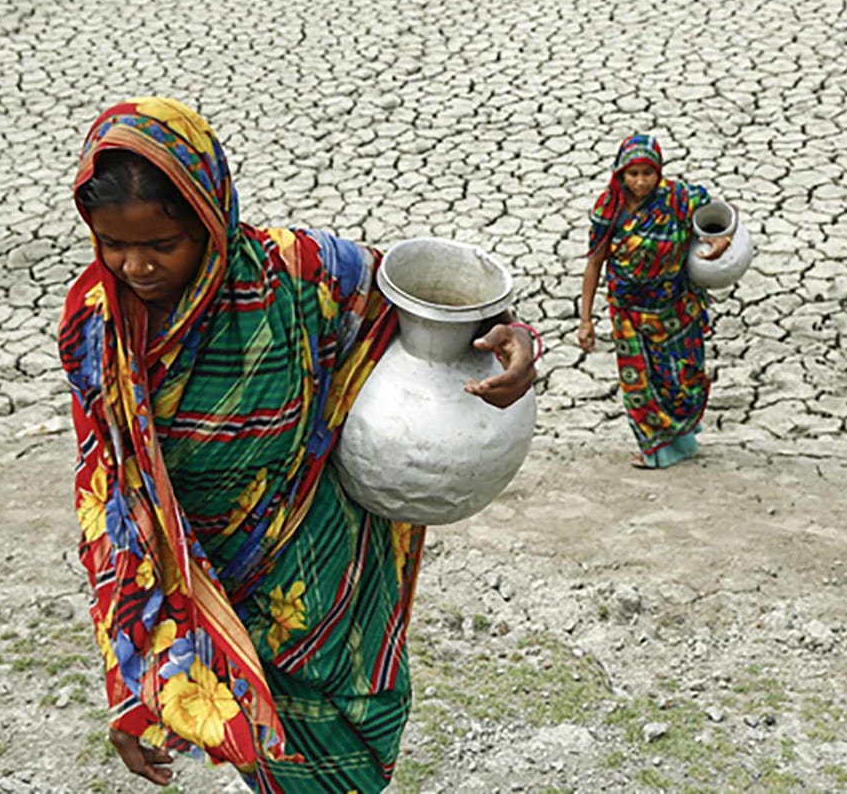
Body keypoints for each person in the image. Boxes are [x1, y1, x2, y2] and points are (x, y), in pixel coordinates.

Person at [57, 97, 536, 792]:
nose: (136, 266)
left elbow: (438, 308)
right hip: (207, 582)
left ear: (211, 217)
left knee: (357, 732)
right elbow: (111, 503)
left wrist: (513, 340)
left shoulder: (296, 275)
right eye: (112, 243)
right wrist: (133, 685)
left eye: (163, 244)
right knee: (268, 749)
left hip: (328, 561)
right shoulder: (97, 330)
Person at [576, 134, 731, 470]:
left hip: (676, 310)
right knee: (641, 385)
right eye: (633, 174)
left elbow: (716, 217)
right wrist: (585, 319)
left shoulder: (677, 198)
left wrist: (720, 239)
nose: (641, 181)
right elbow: (595, 262)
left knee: (682, 381)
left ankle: (682, 444)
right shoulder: (609, 208)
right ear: (620, 173)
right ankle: (654, 450)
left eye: (648, 173)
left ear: (659, 171)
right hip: (629, 313)